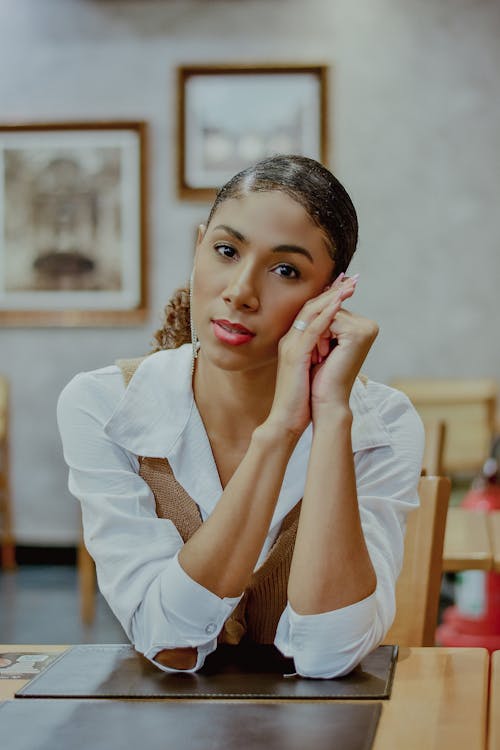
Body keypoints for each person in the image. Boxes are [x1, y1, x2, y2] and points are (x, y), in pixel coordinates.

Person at [57, 154, 424, 678]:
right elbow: (169, 642)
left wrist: (330, 415)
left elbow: (329, 654)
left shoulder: (380, 423)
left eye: (285, 270)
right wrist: (280, 431)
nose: (240, 291)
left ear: (329, 296)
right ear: (199, 245)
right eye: (226, 251)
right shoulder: (103, 405)